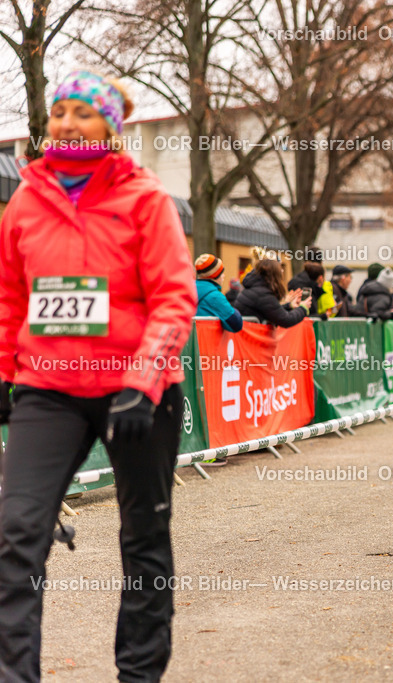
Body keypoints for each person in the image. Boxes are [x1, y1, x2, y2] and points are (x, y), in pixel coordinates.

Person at [0, 70, 197, 682]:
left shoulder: (144, 199)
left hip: (135, 391)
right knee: (18, 530)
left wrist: (141, 382)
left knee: (143, 534)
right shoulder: (26, 200)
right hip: (48, 387)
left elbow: (173, 297)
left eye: (83, 112)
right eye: (59, 110)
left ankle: (138, 676)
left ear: (110, 127)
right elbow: (10, 298)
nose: (66, 122)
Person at [233, 258, 311, 327]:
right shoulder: (263, 295)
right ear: (274, 276)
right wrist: (303, 308)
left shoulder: (256, 289)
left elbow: (271, 311)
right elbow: (286, 319)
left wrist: (289, 306)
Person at [195, 254, 243, 332]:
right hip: (206, 342)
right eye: (221, 273)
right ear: (215, 275)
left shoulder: (186, 291)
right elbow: (236, 323)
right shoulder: (215, 297)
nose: (223, 276)